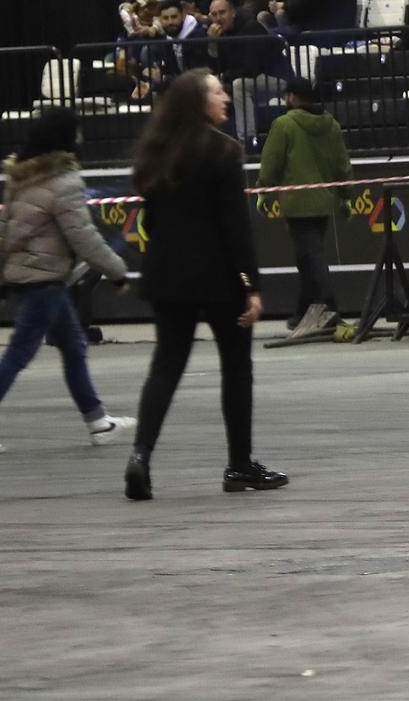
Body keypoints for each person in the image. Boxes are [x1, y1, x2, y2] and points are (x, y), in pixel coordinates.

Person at [126, 70, 284, 500]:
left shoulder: (157, 152)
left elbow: (152, 221)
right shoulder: (223, 151)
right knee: (235, 367)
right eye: (216, 92)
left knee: (165, 367)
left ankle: (140, 456)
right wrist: (250, 284)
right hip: (218, 278)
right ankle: (239, 465)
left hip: (166, 275)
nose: (225, 98)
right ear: (197, 102)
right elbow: (236, 227)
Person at [0, 108, 136, 457]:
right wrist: (117, 271)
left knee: (73, 348)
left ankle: (97, 421)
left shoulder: (21, 180)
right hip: (45, 281)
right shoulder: (64, 182)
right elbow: (84, 237)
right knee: (19, 353)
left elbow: (1, 235)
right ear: (66, 138)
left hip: (34, 279)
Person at [256, 77, 352, 337]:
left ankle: (331, 309)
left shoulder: (284, 124)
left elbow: (271, 162)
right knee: (308, 257)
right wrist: (346, 195)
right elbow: (341, 162)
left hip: (297, 203)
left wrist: (263, 192)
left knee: (312, 258)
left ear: (293, 97)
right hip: (324, 201)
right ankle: (303, 312)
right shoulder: (330, 123)